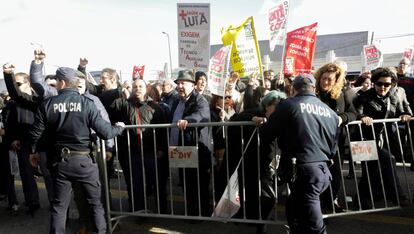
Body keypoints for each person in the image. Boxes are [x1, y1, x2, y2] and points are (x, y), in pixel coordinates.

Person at [27, 67, 125, 234]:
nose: (56, 84)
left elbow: (35, 134)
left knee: (59, 206)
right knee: (96, 203)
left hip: (60, 162)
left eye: (57, 81)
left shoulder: (48, 104)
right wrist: (119, 128)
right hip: (84, 162)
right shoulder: (86, 103)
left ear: (62, 83)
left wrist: (33, 152)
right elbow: (105, 132)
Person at [261, 74, 339, 234]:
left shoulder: (288, 105)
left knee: (315, 226)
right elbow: (333, 148)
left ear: (293, 89)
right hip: (321, 170)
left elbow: (268, 133)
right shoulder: (329, 112)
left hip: (304, 172)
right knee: (293, 208)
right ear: (314, 89)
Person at [353, 67, 412, 208]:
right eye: (379, 84)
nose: (383, 87)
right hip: (363, 140)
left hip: (383, 140)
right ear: (374, 83)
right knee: (383, 162)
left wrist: (404, 115)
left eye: (387, 84)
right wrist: (362, 117)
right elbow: (355, 113)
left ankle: (363, 198)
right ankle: (397, 195)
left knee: (372, 170)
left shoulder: (394, 97)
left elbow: (402, 111)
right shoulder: (364, 97)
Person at [314, 62, 357, 212]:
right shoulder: (313, 94)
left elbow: (353, 114)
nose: (325, 82)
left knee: (335, 176)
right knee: (319, 176)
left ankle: (330, 203)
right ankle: (319, 207)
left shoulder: (342, 94)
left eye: (329, 79)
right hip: (317, 143)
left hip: (336, 142)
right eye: (323, 78)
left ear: (336, 80)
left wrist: (341, 118)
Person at [170, 69, 212, 216]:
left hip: (196, 149)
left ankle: (202, 213)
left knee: (198, 184)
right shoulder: (176, 101)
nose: (180, 86)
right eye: (178, 83)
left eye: (183, 83)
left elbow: (202, 115)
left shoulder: (200, 100)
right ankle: (192, 211)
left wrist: (189, 121)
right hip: (180, 150)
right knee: (186, 182)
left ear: (193, 85)